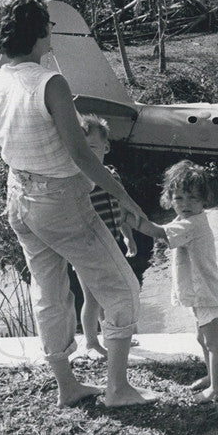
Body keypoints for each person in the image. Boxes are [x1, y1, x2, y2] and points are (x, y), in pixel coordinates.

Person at [0, 0, 163, 407]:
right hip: (59, 199)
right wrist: (131, 204)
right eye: (48, 26)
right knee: (122, 289)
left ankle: (68, 387)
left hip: (19, 197)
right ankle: (118, 390)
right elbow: (82, 156)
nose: (50, 34)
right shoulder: (50, 83)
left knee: (49, 294)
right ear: (38, 32)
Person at [159, 160, 218, 403]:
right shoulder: (184, 221)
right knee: (202, 340)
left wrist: (135, 221)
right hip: (201, 295)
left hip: (209, 295)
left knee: (213, 345)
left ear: (203, 200)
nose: (185, 204)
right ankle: (211, 377)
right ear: (170, 199)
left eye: (192, 198)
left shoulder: (193, 224)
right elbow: (165, 229)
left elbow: (159, 233)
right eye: (179, 198)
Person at [76, 113, 141, 359]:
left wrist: (128, 236)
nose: (88, 154)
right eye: (83, 148)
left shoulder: (110, 176)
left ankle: (113, 335)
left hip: (111, 244)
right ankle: (91, 342)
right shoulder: (78, 179)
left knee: (112, 294)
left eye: (93, 147)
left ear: (106, 146)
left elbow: (119, 212)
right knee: (91, 297)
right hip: (86, 247)